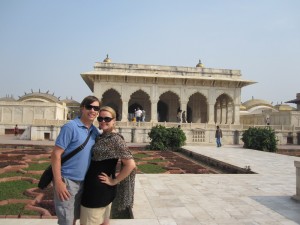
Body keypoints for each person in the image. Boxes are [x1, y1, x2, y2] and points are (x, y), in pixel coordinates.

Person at [80, 106, 136, 225]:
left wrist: (114, 181)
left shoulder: (115, 139)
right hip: (101, 188)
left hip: (97, 190)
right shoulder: (102, 136)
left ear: (114, 120)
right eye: (100, 119)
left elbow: (130, 164)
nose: (103, 121)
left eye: (107, 119)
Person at [51, 95, 101, 225]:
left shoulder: (94, 132)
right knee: (66, 220)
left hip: (84, 182)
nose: (93, 110)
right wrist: (58, 182)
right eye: (89, 107)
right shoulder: (71, 127)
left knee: (74, 218)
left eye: (96, 108)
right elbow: (56, 154)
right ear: (82, 108)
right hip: (67, 181)